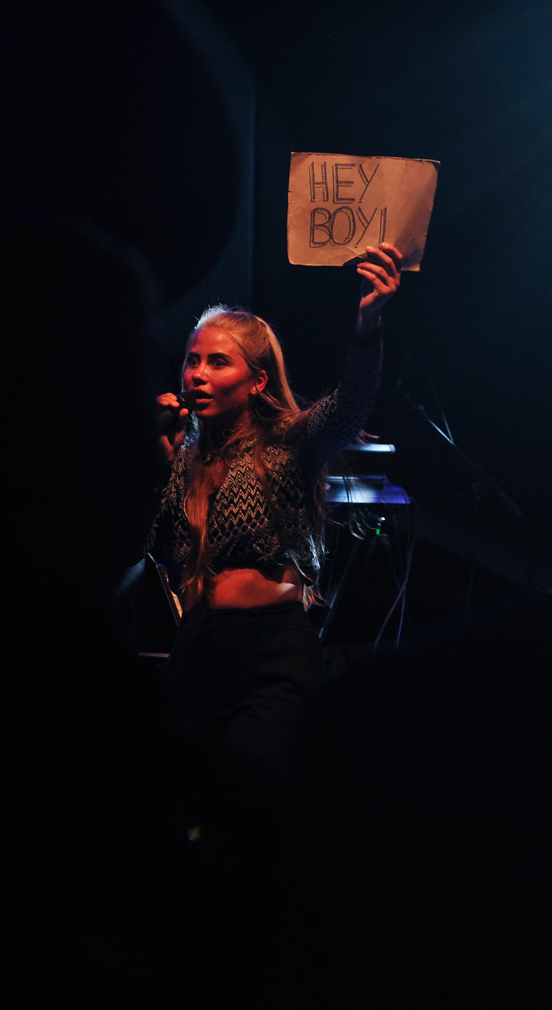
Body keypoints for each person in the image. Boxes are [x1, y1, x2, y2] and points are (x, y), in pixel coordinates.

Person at [147, 241, 402, 780]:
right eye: (192, 360)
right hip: (195, 652)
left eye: (218, 362)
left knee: (247, 796)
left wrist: (367, 325)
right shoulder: (180, 459)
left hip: (270, 652)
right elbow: (132, 548)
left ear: (257, 381)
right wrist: (150, 458)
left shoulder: (288, 443)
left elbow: (349, 407)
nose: (197, 374)